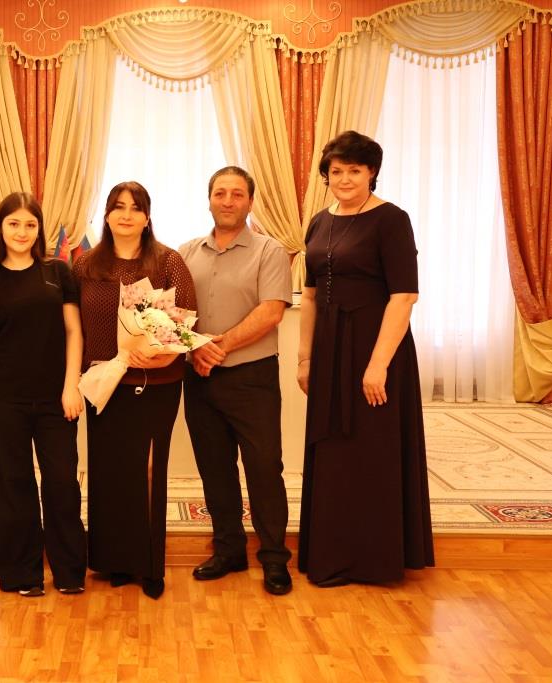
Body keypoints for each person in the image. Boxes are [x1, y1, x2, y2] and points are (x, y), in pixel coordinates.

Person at [297, 130, 434, 587]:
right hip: (329, 349)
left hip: (377, 349)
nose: (344, 179)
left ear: (371, 172)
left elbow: (404, 296)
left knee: (371, 451)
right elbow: (310, 296)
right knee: (332, 450)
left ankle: (372, 561)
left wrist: (378, 365)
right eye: (336, 171)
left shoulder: (391, 220)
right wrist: (304, 359)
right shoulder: (319, 222)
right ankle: (331, 554)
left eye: (354, 170)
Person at [73, 181, 197, 600]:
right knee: (109, 473)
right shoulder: (85, 264)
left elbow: (185, 322)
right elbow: (74, 327)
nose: (126, 215)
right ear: (107, 215)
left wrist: (159, 355)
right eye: (118, 207)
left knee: (147, 471)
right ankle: (115, 561)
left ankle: (149, 565)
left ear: (147, 216)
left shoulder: (167, 261)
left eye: (135, 208)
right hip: (104, 384)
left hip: (155, 383)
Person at [0, 192, 87, 597]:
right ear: (0, 228)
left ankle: (69, 573)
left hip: (55, 401)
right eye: (14, 223)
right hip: (3, 403)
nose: (22, 231)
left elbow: (74, 333)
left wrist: (71, 386)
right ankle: (22, 575)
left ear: (39, 229)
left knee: (63, 484)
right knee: (12, 488)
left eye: (30, 224)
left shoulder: (57, 272)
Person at [178, 166, 294, 596]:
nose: (228, 201)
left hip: (252, 378)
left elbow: (271, 312)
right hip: (199, 376)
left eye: (237, 194)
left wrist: (217, 346)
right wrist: (194, 348)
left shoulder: (269, 251)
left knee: (264, 468)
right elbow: (174, 313)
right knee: (215, 469)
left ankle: (274, 558)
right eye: (220, 193)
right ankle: (228, 550)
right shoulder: (186, 252)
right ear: (209, 199)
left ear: (250, 201)